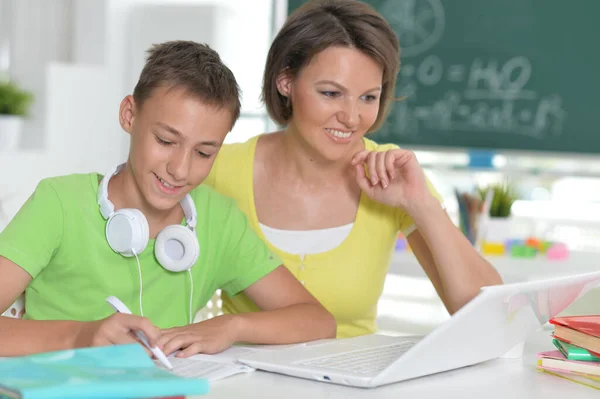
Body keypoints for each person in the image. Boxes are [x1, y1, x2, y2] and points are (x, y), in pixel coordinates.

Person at [0, 40, 336, 358]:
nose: (180, 169)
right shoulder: (60, 203)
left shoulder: (218, 221)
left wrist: (231, 326)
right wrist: (81, 337)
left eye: (204, 152)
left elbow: (319, 321)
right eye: (165, 140)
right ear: (130, 115)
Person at [205, 0, 503, 338]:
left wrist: (420, 205)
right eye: (332, 93)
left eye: (368, 98)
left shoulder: (393, 175)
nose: (351, 117)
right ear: (286, 81)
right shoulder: (218, 170)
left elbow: (491, 318)